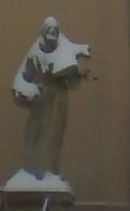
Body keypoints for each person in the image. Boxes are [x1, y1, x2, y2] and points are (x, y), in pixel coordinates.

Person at [13, 17, 91, 179]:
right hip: (40, 98)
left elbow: (72, 82)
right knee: (34, 133)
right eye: (49, 29)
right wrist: (24, 90)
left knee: (55, 134)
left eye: (54, 30)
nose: (52, 32)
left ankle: (51, 170)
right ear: (43, 32)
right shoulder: (35, 52)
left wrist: (75, 73)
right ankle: (29, 171)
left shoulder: (65, 48)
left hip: (58, 98)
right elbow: (22, 76)